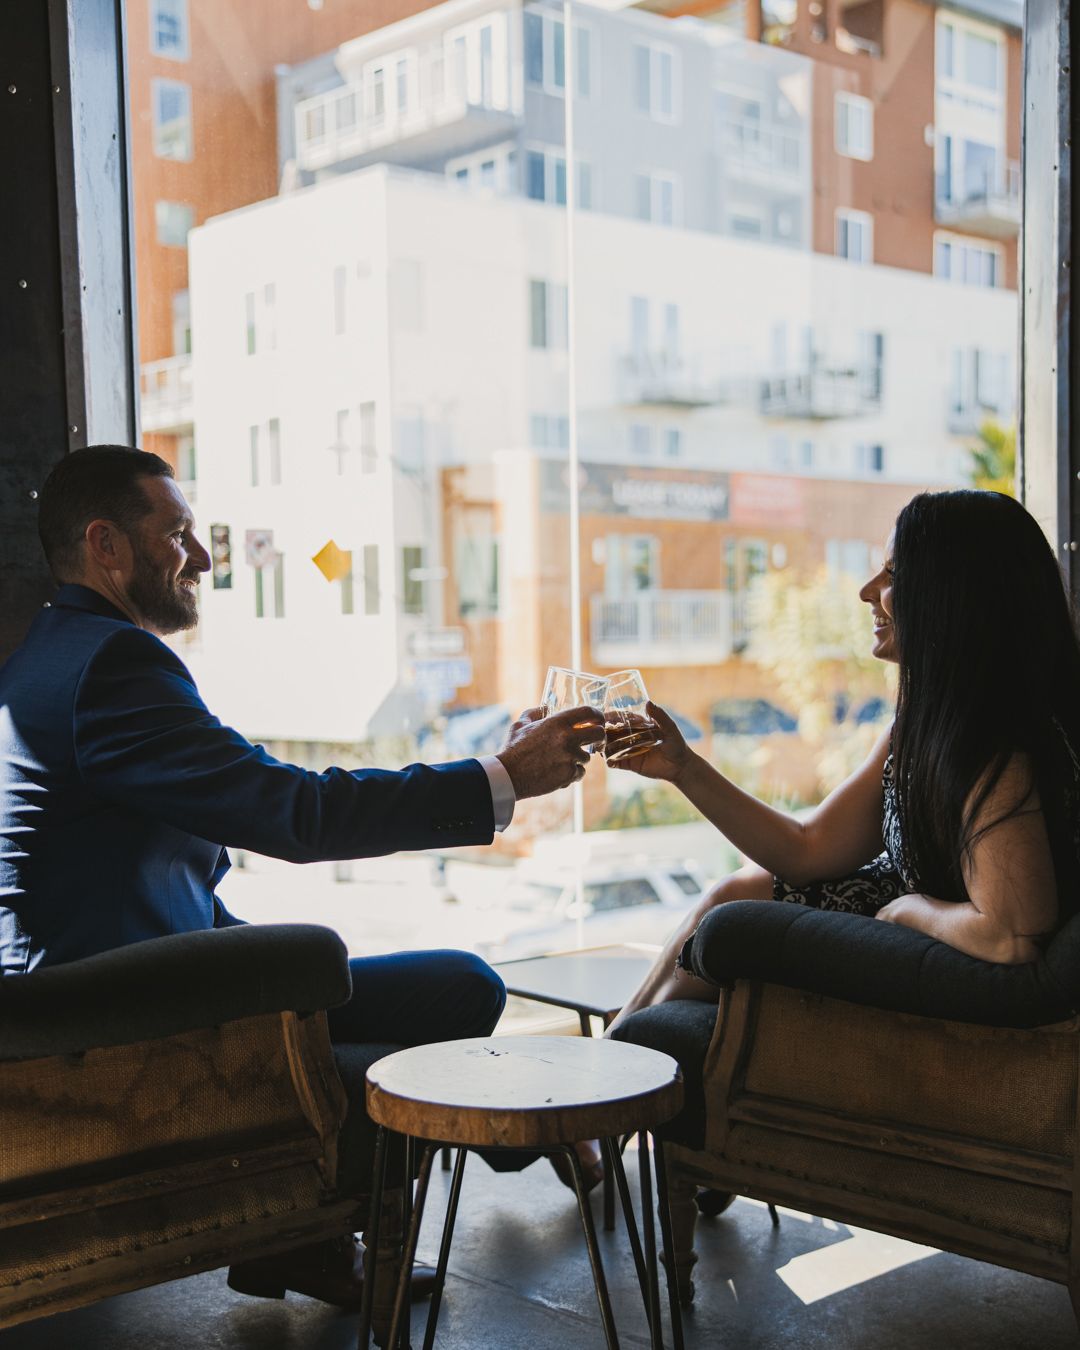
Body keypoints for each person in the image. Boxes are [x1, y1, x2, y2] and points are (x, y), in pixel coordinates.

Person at [0, 444, 604, 1308]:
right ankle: (318, 1231)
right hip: (108, 1027)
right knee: (399, 1037)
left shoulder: (55, 657)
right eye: (178, 535)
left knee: (462, 987)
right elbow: (296, 812)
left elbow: (159, 882)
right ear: (106, 546)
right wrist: (497, 778)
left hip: (141, 984)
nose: (203, 560)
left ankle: (401, 1189)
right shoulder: (112, 669)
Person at [608, 489, 1080, 1036]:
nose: (867, 593)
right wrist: (682, 768)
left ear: (950, 594)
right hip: (905, 914)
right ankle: (612, 1068)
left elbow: (1013, 935)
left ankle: (611, 1082)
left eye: (893, 574)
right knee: (734, 892)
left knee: (729, 913)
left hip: (936, 943)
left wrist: (910, 911)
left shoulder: (996, 745)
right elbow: (809, 848)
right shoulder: (930, 726)